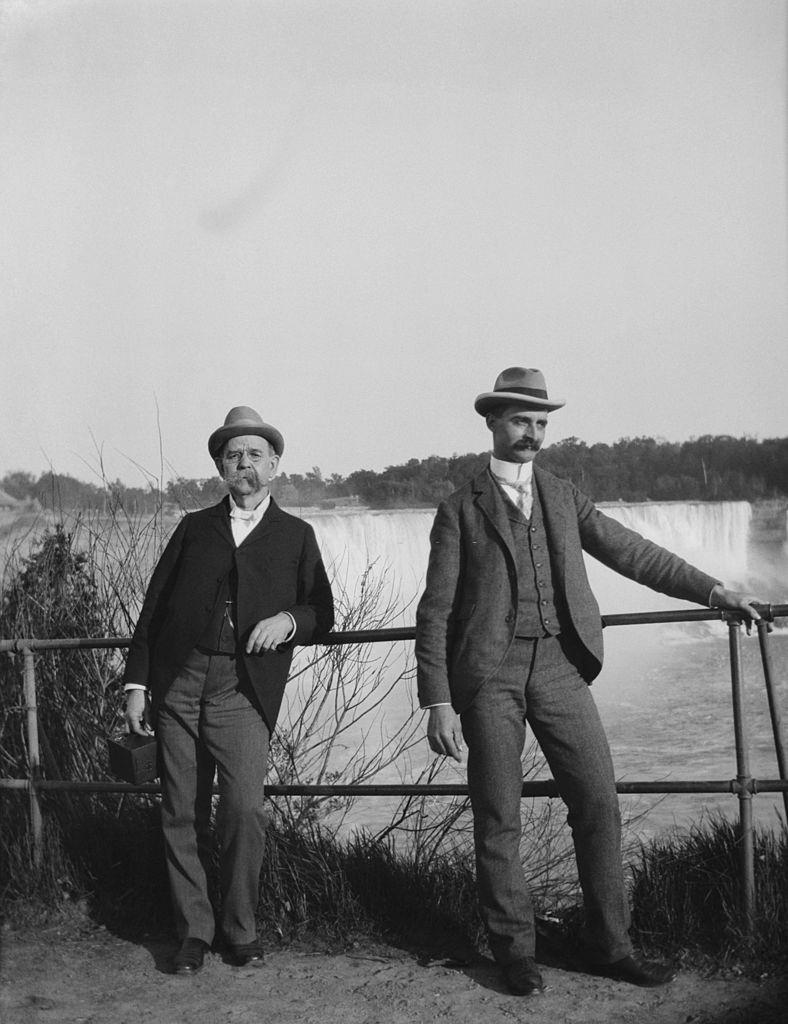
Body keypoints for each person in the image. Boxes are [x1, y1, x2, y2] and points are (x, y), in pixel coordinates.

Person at [415, 367, 763, 997]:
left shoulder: (563, 495)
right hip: (488, 679)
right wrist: (437, 698)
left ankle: (610, 946)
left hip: (561, 669)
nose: (533, 433)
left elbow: (634, 553)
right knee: (499, 814)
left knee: (598, 801)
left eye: (542, 422)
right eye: (521, 420)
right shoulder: (459, 507)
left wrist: (713, 590)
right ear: (492, 423)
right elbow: (435, 610)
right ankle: (515, 953)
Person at [123, 405, 334, 975]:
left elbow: (323, 611)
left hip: (244, 690)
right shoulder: (193, 527)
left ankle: (240, 930)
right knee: (181, 811)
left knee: (243, 809)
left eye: (254, 455)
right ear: (221, 465)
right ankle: (192, 932)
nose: (243, 464)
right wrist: (138, 684)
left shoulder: (296, 534)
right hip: (179, 682)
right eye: (232, 455)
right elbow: (154, 611)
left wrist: (289, 621)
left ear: (275, 465)